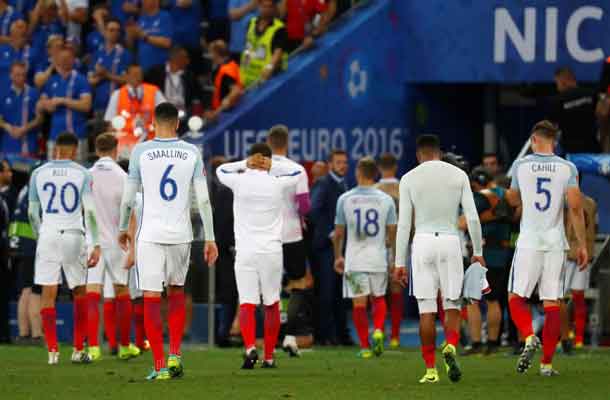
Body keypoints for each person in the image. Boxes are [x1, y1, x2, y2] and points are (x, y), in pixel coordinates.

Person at [118, 102, 218, 380]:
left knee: (150, 297)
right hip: (181, 235)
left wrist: (122, 227)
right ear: (177, 124)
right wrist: (210, 238)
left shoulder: (140, 151)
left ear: (153, 121)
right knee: (176, 292)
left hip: (149, 235)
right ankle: (175, 355)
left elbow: (128, 198)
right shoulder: (191, 152)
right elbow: (204, 199)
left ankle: (160, 365)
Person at [394, 134, 484, 384]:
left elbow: (404, 225)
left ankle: (431, 370)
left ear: (418, 154)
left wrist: (399, 263)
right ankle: (452, 345)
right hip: (450, 240)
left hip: (422, 242)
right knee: (453, 303)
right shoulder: (458, 175)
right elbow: (473, 217)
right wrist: (478, 252)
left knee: (426, 310)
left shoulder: (409, 178)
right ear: (439, 152)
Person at [505, 120, 588, 377]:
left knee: (515, 297)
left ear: (533, 140)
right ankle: (547, 365)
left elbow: (513, 199)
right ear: (554, 141)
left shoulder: (521, 165)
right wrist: (582, 244)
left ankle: (529, 337)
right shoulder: (568, 168)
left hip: (529, 240)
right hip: (555, 242)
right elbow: (575, 207)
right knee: (552, 302)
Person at [216, 143, 302, 369]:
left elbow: (220, 170)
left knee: (246, 302)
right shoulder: (276, 182)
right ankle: (270, 356)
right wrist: (273, 165)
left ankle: (249, 347)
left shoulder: (239, 180)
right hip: (271, 251)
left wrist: (244, 164)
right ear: (267, 159)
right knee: (272, 302)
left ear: (251, 158)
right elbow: (298, 172)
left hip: (245, 250)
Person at [27, 131, 101, 365]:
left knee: (48, 293)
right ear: (76, 149)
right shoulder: (82, 173)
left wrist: (42, 233)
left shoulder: (38, 173)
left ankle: (52, 352)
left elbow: (31, 212)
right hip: (73, 234)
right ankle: (78, 350)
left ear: (55, 149)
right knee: (79, 291)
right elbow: (89, 211)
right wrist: (96, 243)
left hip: (48, 233)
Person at [334, 157, 396, 358]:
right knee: (378, 298)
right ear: (375, 174)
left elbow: (339, 233)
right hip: (378, 257)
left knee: (359, 303)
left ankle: (365, 347)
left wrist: (337, 256)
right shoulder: (386, 200)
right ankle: (378, 329)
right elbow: (393, 232)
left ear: (358, 173)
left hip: (355, 259)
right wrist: (393, 257)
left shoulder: (345, 199)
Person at [85, 133, 140, 361]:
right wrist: (133, 248)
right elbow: (131, 214)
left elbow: (85, 210)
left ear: (96, 150)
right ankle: (125, 346)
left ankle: (94, 347)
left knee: (92, 293)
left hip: (93, 242)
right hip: (118, 242)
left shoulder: (86, 176)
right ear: (116, 150)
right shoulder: (123, 176)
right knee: (121, 291)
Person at [266, 125, 311, 356]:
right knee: (298, 285)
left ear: (268, 142)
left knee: (268, 287)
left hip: (266, 234)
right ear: (287, 143)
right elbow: (304, 206)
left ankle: (269, 339)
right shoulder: (297, 170)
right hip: (292, 234)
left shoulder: (260, 169)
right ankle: (290, 337)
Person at [460, 167, 512, 355]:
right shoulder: (509, 195)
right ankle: (492, 343)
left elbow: (463, 223)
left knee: (473, 300)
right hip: (502, 252)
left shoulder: (481, 197)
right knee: (494, 300)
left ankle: (475, 343)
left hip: (480, 253)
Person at [309, 149, 351, 346]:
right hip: (326, 248)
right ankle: (324, 336)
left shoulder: (344, 185)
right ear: (330, 164)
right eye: (339, 162)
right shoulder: (323, 183)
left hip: (341, 247)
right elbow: (313, 211)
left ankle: (341, 335)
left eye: (345, 162)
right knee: (326, 293)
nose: (343, 165)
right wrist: (330, 233)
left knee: (340, 293)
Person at [37, 45, 92, 161]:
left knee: (79, 171)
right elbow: (41, 104)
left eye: (67, 57)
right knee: (53, 171)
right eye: (61, 58)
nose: (64, 60)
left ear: (73, 60)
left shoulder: (81, 80)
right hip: (55, 136)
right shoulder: (52, 80)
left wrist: (62, 101)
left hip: (77, 136)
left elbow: (86, 105)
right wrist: (47, 105)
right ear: (56, 59)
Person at [560, 191, 596, 353]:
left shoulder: (563, 201)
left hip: (566, 253)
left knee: (558, 298)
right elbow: (594, 227)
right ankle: (578, 339)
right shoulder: (592, 203)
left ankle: (563, 338)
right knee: (578, 297)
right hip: (585, 252)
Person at [104, 63, 165, 157]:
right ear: (126, 76)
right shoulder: (118, 94)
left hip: (152, 141)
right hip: (125, 145)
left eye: (139, 74)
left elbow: (166, 116)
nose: (137, 77)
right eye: (134, 74)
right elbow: (110, 123)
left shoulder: (154, 91)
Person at [10, 172, 42, 345]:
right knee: (35, 290)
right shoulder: (35, 192)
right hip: (33, 246)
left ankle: (24, 334)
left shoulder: (23, 191)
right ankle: (36, 335)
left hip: (21, 246)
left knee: (25, 289)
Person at [374, 152, 402, 348]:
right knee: (396, 289)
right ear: (396, 167)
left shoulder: (373, 191)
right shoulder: (403, 188)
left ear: (378, 168)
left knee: (377, 292)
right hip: (399, 244)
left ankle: (379, 330)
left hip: (376, 246)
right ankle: (395, 336)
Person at [548, 67, 600, 154]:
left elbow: (551, 127)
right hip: (593, 148)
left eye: (557, 83)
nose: (557, 87)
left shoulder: (557, 101)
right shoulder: (591, 94)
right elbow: (601, 115)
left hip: (571, 152)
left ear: (562, 81)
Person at [88, 17, 131, 115]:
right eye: (111, 30)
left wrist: (106, 74)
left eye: (117, 30)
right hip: (99, 105)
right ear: (105, 32)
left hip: (119, 105)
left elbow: (127, 80)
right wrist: (100, 75)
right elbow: (90, 80)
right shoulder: (97, 53)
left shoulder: (125, 54)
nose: (115, 33)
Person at [240, 0, 287, 88]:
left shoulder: (279, 29)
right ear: (259, 7)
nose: (266, 9)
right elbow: (247, 46)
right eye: (263, 6)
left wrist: (269, 67)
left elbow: (278, 53)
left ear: (274, 9)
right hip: (247, 77)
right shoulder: (251, 23)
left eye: (269, 7)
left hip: (266, 80)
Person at [0, 61, 42, 158]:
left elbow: (40, 119)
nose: (21, 78)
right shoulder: (3, 93)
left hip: (29, 145)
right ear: (11, 75)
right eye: (17, 75)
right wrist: (7, 127)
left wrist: (24, 129)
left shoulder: (33, 93)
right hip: (7, 146)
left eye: (23, 75)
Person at [144, 46, 201, 115]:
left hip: (183, 114)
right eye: (185, 58)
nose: (188, 61)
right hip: (161, 112)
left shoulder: (189, 76)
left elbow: (197, 96)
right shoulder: (155, 73)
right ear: (176, 58)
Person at [126, 0, 173, 72]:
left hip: (160, 68)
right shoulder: (141, 19)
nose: (143, 1)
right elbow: (132, 47)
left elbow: (167, 43)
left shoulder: (165, 16)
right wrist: (129, 36)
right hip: (143, 68)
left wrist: (144, 36)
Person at [205, 40, 242, 122]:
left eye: (211, 53)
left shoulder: (227, 71)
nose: (210, 56)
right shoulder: (231, 65)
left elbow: (236, 91)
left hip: (225, 115)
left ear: (216, 53)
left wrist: (217, 112)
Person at [0, 19, 38, 88]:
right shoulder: (1, 49)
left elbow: (38, 77)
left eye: (24, 28)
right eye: (19, 27)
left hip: (23, 94)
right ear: (11, 32)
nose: (22, 30)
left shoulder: (32, 52)